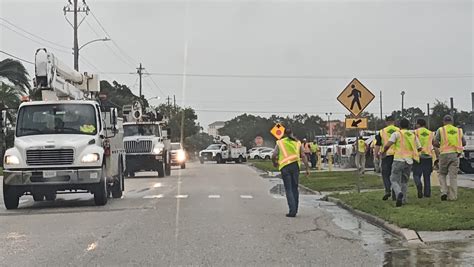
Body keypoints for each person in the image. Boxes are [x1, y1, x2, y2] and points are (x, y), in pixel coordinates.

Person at [382, 118, 421, 207]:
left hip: (398, 159)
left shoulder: (397, 134)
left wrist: (384, 152)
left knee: (393, 179)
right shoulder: (413, 135)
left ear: (399, 126)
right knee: (404, 181)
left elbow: (388, 144)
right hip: (409, 161)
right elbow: (419, 148)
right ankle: (403, 200)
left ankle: (398, 193)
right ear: (408, 126)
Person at [272, 128, 310, 217]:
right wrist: (307, 168)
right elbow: (303, 155)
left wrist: (275, 163)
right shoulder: (298, 143)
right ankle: (295, 209)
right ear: (292, 133)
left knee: (288, 189)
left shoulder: (280, 142)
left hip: (285, 167)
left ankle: (292, 210)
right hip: (295, 167)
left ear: (284, 134)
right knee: (294, 188)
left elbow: (274, 155)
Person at [433, 115, 466, 201]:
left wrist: (441, 145)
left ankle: (444, 191)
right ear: (452, 122)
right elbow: (464, 142)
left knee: (442, 174)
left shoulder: (441, 130)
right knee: (453, 176)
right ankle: (453, 196)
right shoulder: (459, 130)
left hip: (444, 154)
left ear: (444, 122)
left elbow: (435, 142)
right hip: (455, 154)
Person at [374, 116, 400, 200]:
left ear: (386, 122)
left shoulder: (382, 131)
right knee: (395, 175)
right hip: (397, 156)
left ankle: (387, 190)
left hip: (386, 155)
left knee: (385, 174)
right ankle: (395, 193)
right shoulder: (399, 131)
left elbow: (377, 144)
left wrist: (376, 155)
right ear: (394, 121)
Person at [413, 118, 434, 198]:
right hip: (428, 156)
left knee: (416, 174)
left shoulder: (415, 132)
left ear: (418, 124)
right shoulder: (431, 133)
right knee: (427, 176)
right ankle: (427, 193)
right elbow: (434, 143)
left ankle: (419, 184)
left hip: (418, 156)